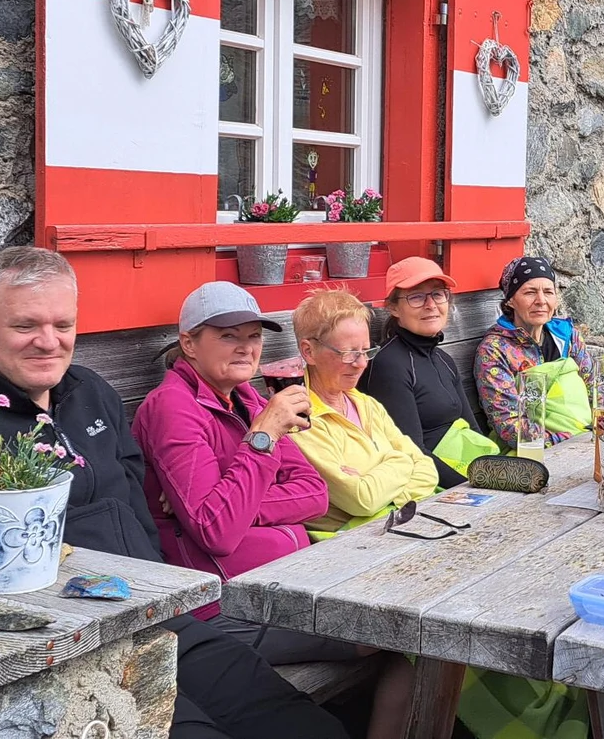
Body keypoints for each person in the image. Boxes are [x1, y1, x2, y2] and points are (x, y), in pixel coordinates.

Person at [0, 247, 349, 739]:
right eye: (26, 326)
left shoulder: (93, 392)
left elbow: (136, 505)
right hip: (68, 649)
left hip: (161, 616)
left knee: (308, 727)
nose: (49, 342)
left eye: (63, 325)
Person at [131, 283, 340, 650]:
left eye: (254, 335)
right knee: (375, 639)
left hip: (276, 583)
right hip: (221, 605)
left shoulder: (248, 398)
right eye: (228, 336)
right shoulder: (173, 407)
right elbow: (217, 531)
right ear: (189, 343)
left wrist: (234, 507)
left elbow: (315, 493)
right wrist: (262, 437)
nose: (247, 347)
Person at [289, 288, 439, 531]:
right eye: (349, 353)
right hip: (343, 549)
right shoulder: (299, 418)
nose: (361, 364)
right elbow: (362, 499)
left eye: (367, 351)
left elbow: (428, 472)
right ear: (309, 352)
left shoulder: (365, 404)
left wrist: (380, 479)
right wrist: (402, 460)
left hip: (394, 530)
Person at [358, 257, 480, 488]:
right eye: (416, 296)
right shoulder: (388, 365)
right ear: (393, 307)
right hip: (428, 485)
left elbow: (473, 429)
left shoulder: (443, 359)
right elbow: (412, 451)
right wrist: (473, 484)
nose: (431, 305)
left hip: (465, 471)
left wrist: (494, 472)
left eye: (437, 294)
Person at [474, 256, 596, 450]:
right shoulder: (495, 350)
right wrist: (567, 439)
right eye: (530, 292)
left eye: (548, 292)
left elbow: (595, 391)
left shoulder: (568, 337)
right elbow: (508, 424)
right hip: (533, 450)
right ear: (511, 301)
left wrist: (598, 431)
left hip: (585, 439)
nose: (541, 301)